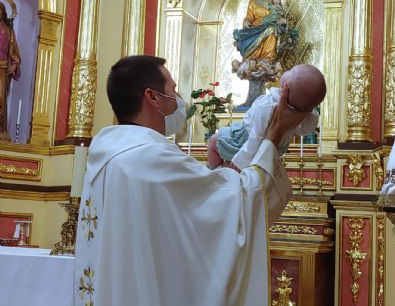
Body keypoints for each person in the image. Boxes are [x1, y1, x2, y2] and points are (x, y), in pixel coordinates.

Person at [73, 55, 309, 306]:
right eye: (173, 90)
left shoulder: (111, 155)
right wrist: (273, 136)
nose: (178, 98)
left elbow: (174, 226)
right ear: (152, 97)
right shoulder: (150, 157)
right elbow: (236, 204)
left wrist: (216, 171)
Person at [209, 64, 326, 170]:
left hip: (245, 141)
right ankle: (224, 170)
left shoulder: (268, 106)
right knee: (235, 167)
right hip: (275, 149)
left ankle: (214, 173)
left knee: (213, 141)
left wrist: (242, 160)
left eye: (291, 69)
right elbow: (307, 129)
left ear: (285, 85)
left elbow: (256, 136)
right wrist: (308, 112)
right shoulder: (297, 114)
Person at [0, 2, 20, 142]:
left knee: (0, 97)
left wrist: (14, 64)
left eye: (0, 11)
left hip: (3, 66)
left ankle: (1, 129)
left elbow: (14, 49)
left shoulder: (8, 30)